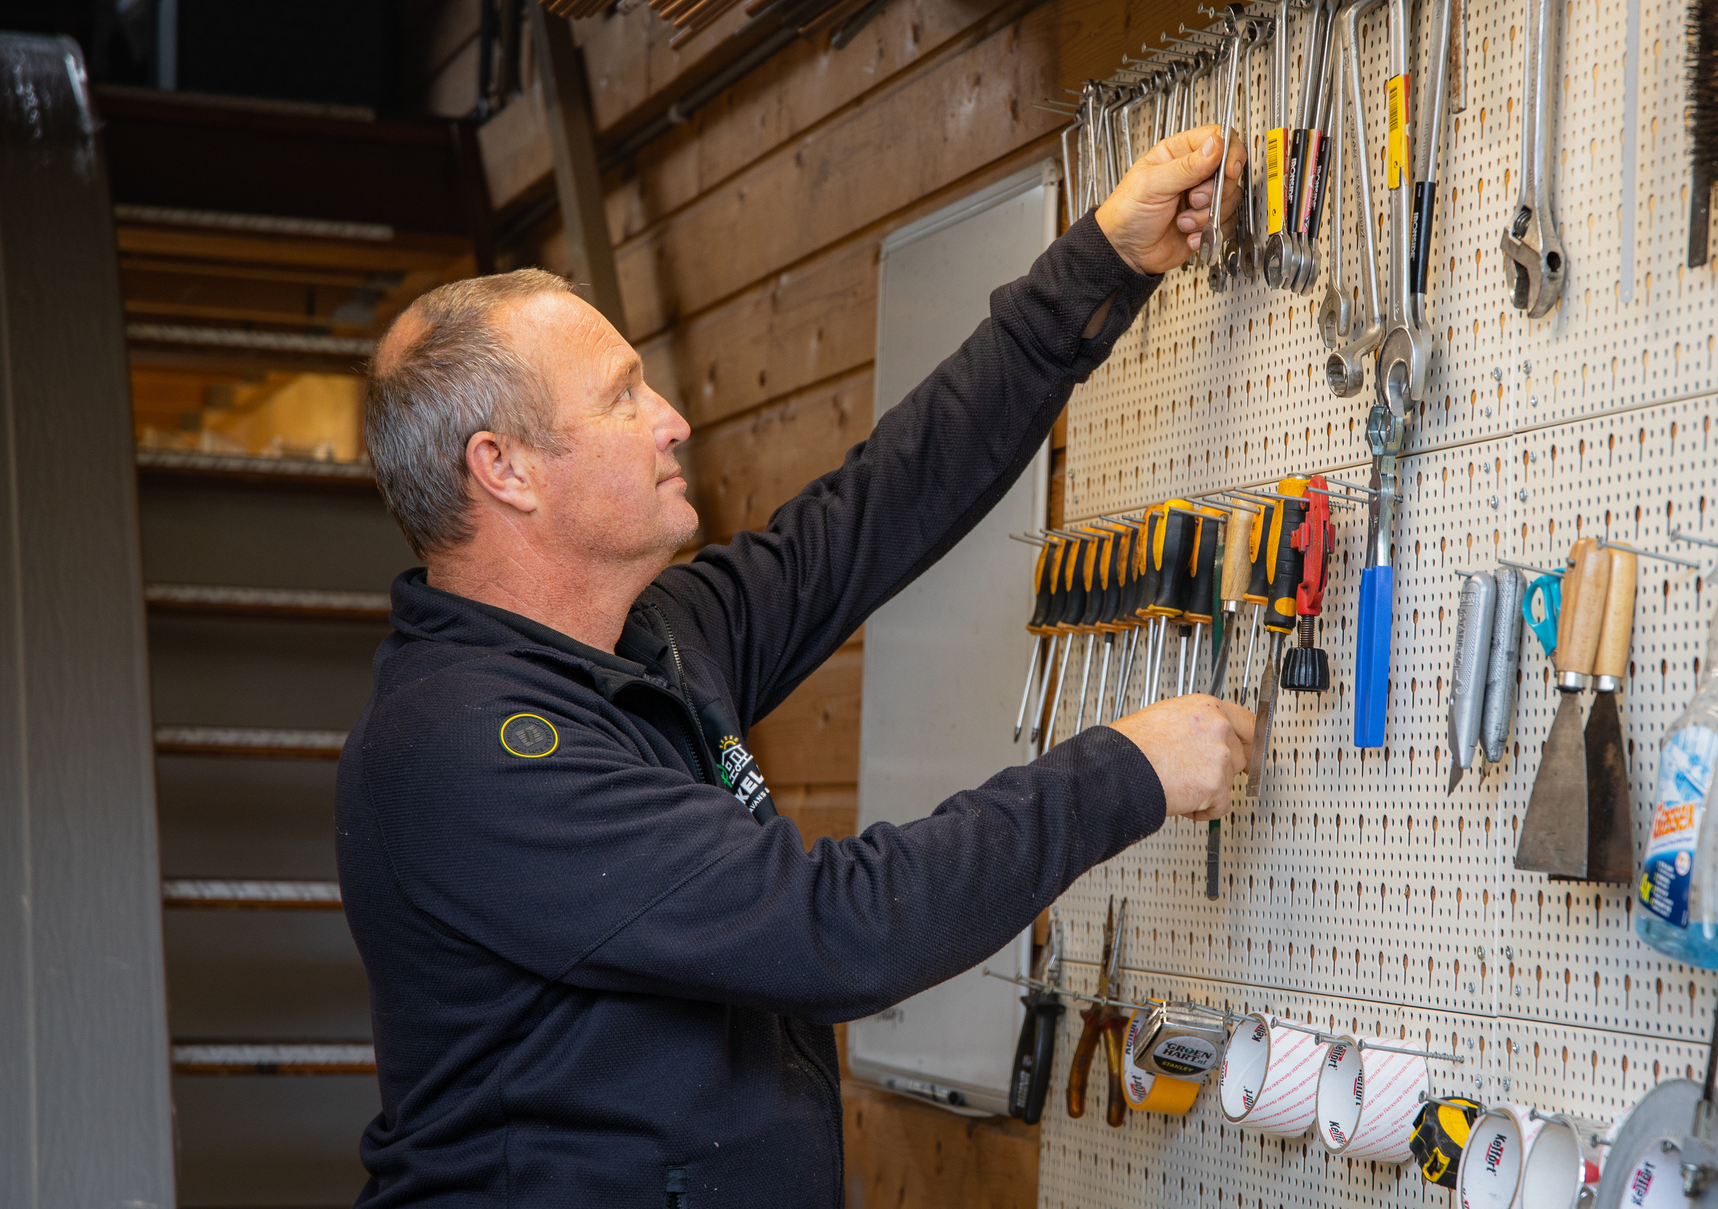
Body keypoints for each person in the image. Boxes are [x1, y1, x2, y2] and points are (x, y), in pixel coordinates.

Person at [338, 124, 1252, 1207]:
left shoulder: (650, 637)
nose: (672, 420)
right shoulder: (463, 750)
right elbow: (834, 930)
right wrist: (1123, 771)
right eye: (623, 395)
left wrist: (1101, 262)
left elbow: (879, 507)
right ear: (505, 469)